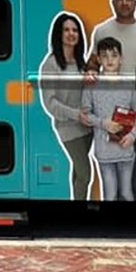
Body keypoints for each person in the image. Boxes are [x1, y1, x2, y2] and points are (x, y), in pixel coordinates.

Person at [84, 0, 136, 201]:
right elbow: (92, 63)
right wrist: (90, 71)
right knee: (115, 162)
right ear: (112, 2)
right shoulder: (102, 30)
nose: (124, 2)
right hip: (110, 110)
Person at [39, 12, 94, 200]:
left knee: (78, 171)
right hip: (68, 127)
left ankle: (75, 203)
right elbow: (50, 102)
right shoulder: (51, 64)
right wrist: (75, 114)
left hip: (87, 126)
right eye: (66, 30)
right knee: (86, 173)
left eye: (75, 30)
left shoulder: (81, 62)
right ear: (58, 34)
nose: (71, 33)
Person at [81, 37, 136, 201]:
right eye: (104, 56)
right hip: (104, 152)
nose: (109, 60)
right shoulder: (91, 84)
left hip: (126, 149)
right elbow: (85, 114)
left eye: (113, 55)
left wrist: (133, 135)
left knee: (127, 193)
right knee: (110, 194)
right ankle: (112, 226)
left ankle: (129, 227)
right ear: (98, 59)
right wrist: (103, 123)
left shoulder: (129, 84)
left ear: (121, 58)